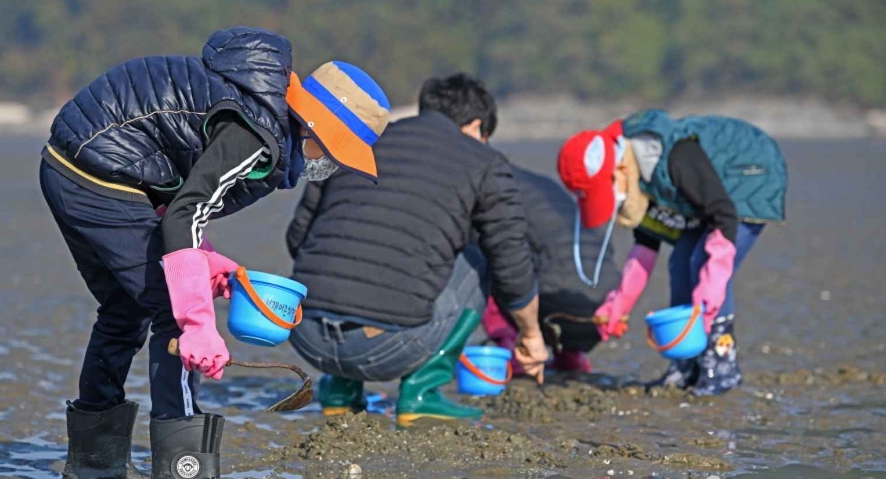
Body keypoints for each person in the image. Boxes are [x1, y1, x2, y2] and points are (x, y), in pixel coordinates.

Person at [40, 26, 390, 479]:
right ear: (314, 129)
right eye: (333, 153)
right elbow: (186, 210)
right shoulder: (256, 134)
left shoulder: (258, 112)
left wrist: (207, 262)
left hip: (69, 165)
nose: (329, 166)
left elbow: (179, 206)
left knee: (125, 308)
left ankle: (94, 467)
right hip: (102, 174)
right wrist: (198, 325)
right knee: (170, 314)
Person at [285, 73, 549, 426]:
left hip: (306, 335)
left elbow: (298, 236)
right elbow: (511, 258)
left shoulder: (361, 142)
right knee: (482, 255)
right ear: (475, 127)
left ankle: (340, 389)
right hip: (387, 347)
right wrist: (530, 334)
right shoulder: (485, 162)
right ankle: (423, 391)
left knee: (350, 252)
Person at [557, 109, 787, 395]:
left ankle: (721, 368)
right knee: (680, 262)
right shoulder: (638, 177)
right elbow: (646, 244)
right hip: (706, 200)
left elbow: (724, 216)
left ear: (620, 169)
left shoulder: (676, 157)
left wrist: (708, 297)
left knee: (703, 263)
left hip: (748, 177)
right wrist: (619, 304)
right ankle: (685, 364)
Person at [481, 163, 622, 375]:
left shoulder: (490, 187)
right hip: (609, 306)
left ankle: (510, 344)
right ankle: (570, 356)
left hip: (556, 303)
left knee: (486, 255)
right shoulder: (543, 183)